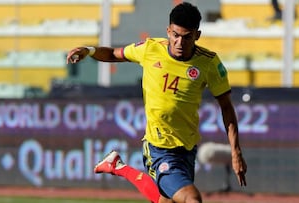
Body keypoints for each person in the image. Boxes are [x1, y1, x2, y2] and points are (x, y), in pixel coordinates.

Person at [66, 2, 247, 203]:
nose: (180, 42)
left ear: (197, 35)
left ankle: (118, 167)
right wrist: (88, 50)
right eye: (175, 35)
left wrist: (235, 152)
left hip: (187, 148)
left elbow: (227, 108)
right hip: (159, 147)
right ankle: (119, 167)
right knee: (191, 198)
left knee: (165, 201)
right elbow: (112, 54)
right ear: (168, 31)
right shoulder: (150, 49)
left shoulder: (210, 64)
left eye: (187, 37)